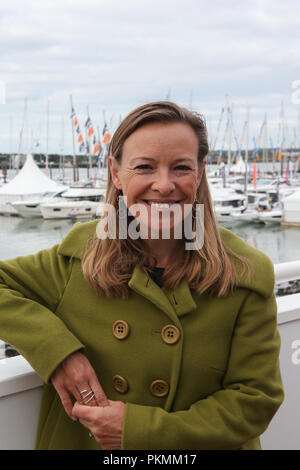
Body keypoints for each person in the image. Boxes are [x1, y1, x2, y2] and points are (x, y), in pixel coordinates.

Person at [0, 101, 284, 450]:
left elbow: (256, 401)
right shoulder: (79, 257)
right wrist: (58, 354)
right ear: (116, 173)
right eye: (145, 167)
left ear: (200, 171)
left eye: (180, 168)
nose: (163, 186)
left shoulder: (245, 273)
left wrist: (139, 431)